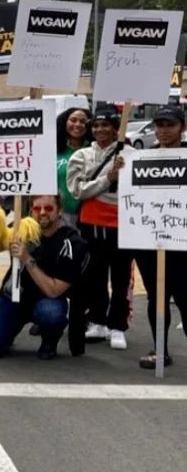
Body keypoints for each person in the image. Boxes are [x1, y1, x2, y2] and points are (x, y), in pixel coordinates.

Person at [0, 194, 88, 360]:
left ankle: (50, 340)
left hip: (46, 300)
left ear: (60, 211)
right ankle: (7, 331)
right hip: (13, 297)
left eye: (48, 208)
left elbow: (54, 291)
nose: (42, 212)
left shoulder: (72, 242)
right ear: (31, 211)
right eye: (37, 208)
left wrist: (26, 258)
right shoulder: (20, 229)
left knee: (52, 314)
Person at [66, 107, 131, 350]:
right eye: (95, 125)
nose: (100, 130)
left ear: (116, 128)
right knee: (94, 275)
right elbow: (77, 190)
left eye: (106, 125)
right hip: (91, 222)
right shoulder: (81, 155)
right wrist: (107, 179)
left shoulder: (131, 154)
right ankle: (98, 320)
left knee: (121, 278)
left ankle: (118, 326)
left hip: (123, 222)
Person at [129, 105, 187, 368]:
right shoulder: (142, 158)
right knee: (157, 297)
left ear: (182, 128)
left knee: (185, 297)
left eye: (170, 125)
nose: (163, 131)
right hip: (149, 241)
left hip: (182, 243)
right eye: (159, 125)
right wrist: (118, 170)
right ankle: (159, 350)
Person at [56, 105, 91, 228]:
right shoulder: (53, 150)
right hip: (60, 215)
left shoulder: (95, 150)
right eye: (73, 120)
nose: (78, 124)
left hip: (88, 215)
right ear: (65, 122)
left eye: (83, 121)